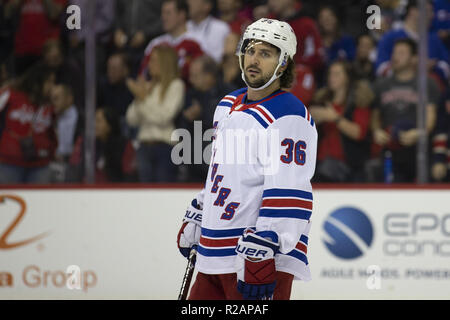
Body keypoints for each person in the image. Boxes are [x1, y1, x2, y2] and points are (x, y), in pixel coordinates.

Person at [177, 18, 318, 300]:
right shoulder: (228, 104)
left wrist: (267, 243)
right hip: (214, 253)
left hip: (256, 259)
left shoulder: (288, 113)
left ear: (283, 63)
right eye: (250, 50)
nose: (254, 59)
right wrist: (201, 211)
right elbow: (220, 170)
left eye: (266, 53)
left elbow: (290, 188)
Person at [371, 38, 439, 183]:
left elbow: (430, 117)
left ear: (414, 58)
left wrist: (420, 132)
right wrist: (377, 130)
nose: (395, 57)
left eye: (401, 53)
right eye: (394, 53)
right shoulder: (381, 84)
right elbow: (375, 116)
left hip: (419, 150)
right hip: (390, 149)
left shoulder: (427, 84)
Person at [126, 45, 185, 182]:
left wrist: (143, 99)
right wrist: (140, 98)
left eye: (153, 60)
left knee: (163, 193)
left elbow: (164, 117)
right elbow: (131, 118)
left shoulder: (176, 86)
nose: (149, 64)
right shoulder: (147, 87)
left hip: (165, 148)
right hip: (144, 146)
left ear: (164, 63)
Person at [309, 61, 373, 182]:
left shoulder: (358, 102)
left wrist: (334, 118)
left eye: (337, 74)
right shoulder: (320, 100)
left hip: (348, 164)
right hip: (318, 162)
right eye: (330, 74)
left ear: (347, 78)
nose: (332, 78)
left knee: (327, 169)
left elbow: (359, 133)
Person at [0, 64, 57, 184]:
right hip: (10, 162)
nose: (52, 86)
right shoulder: (11, 95)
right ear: (37, 81)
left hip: (40, 164)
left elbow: (52, 133)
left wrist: (50, 151)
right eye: (49, 81)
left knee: (40, 202)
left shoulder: (49, 106)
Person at [375, 0, 449, 91]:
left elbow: (446, 67)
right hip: (396, 92)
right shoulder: (390, 37)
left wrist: (433, 66)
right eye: (428, 11)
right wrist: (407, 67)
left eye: (432, 11)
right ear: (413, 12)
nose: (432, 15)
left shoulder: (434, 39)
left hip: (429, 93)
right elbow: (380, 69)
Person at [138, 0, 204, 82]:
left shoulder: (197, 41)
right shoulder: (155, 43)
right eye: (163, 13)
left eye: (168, 13)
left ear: (181, 15)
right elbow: (143, 74)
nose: (163, 17)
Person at [68, 107, 136, 183]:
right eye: (93, 121)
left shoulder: (124, 145)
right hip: (87, 190)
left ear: (110, 125)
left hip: (115, 191)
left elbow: (129, 175)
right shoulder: (85, 143)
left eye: (98, 121)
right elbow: (74, 168)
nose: (94, 125)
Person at [49, 83, 78, 182]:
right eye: (51, 99)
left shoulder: (81, 118)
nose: (53, 102)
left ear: (69, 99)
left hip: (73, 163)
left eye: (56, 98)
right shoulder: (49, 117)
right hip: (51, 162)